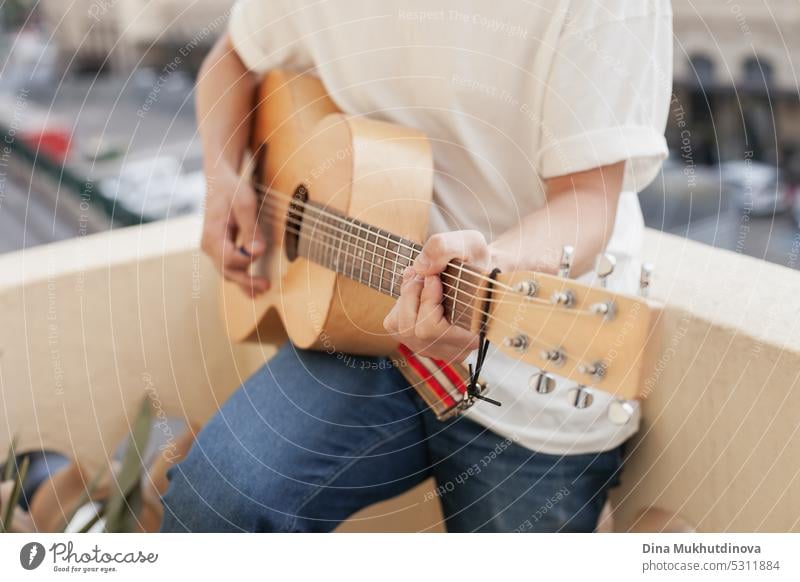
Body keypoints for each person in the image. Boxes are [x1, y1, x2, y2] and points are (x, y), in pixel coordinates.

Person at [161, 0, 672, 532]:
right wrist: (221, 174)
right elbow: (234, 56)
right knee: (212, 507)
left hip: (531, 356)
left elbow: (587, 200)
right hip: (362, 315)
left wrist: (492, 269)